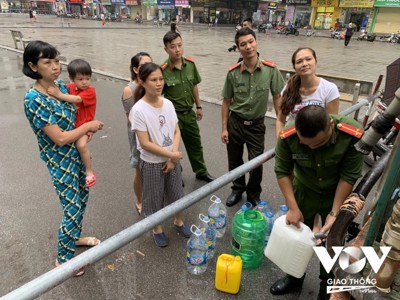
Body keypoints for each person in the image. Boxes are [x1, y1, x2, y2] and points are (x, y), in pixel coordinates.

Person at [22, 41, 104, 275]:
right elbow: (58, 138)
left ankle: (74, 237)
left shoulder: (60, 86)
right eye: (47, 63)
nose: (55, 67)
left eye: (57, 61)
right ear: (33, 66)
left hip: (76, 154)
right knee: (72, 207)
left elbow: (78, 107)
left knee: (82, 197)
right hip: (60, 161)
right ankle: (63, 260)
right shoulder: (34, 99)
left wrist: (84, 133)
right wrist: (88, 126)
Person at [271, 105, 364, 300]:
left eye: (319, 143)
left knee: (333, 241)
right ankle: (293, 277)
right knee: (297, 235)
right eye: (307, 145)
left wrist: (335, 212)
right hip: (304, 190)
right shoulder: (289, 135)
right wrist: (293, 208)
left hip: (336, 192)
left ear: (330, 124)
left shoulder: (352, 134)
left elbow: (348, 176)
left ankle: (328, 285)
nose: (312, 148)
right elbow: (282, 171)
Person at [221, 27, 285, 207]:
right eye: (243, 44)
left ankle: (253, 193)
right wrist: (224, 128)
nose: (248, 46)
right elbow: (226, 102)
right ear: (238, 48)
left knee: (256, 162)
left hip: (257, 125)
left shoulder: (270, 70)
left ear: (256, 42)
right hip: (235, 122)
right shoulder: (233, 73)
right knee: (234, 159)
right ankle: (237, 188)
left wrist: (281, 124)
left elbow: (278, 98)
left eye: (251, 42)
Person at [129, 62, 191, 247]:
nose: (158, 83)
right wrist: (170, 155)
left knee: (177, 193)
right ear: (142, 82)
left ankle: (179, 221)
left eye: (161, 79)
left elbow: (176, 131)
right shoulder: (138, 109)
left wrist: (172, 157)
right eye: (153, 80)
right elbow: (145, 144)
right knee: (153, 198)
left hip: (171, 158)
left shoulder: (169, 104)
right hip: (151, 162)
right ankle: (157, 228)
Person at [161, 31, 215, 183]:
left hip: (189, 113)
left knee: (195, 144)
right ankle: (176, 174)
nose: (177, 49)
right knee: (172, 147)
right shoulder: (162, 70)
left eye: (179, 45)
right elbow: (159, 97)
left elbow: (194, 86)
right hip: (173, 116)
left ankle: (201, 171)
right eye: (173, 47)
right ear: (166, 49)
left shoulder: (190, 65)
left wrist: (198, 106)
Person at [48, 59, 98, 188]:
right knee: (76, 149)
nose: (85, 82)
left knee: (81, 146)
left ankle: (89, 171)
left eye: (87, 78)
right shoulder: (70, 87)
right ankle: (85, 159)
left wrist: (58, 94)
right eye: (80, 79)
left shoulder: (90, 91)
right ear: (72, 79)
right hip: (75, 125)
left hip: (84, 126)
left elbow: (76, 99)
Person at [276, 47, 340, 136]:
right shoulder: (288, 87)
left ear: (316, 62)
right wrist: (280, 141)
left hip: (318, 141)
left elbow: (332, 123)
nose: (304, 64)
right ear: (294, 67)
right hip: (292, 140)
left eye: (308, 59)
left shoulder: (329, 89)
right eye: (299, 61)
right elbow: (280, 120)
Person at [121, 52, 152, 215]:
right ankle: (139, 200)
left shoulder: (152, 83)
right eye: (143, 65)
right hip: (138, 135)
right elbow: (131, 119)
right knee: (139, 169)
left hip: (154, 132)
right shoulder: (129, 89)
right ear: (135, 69)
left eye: (150, 64)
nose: (148, 68)